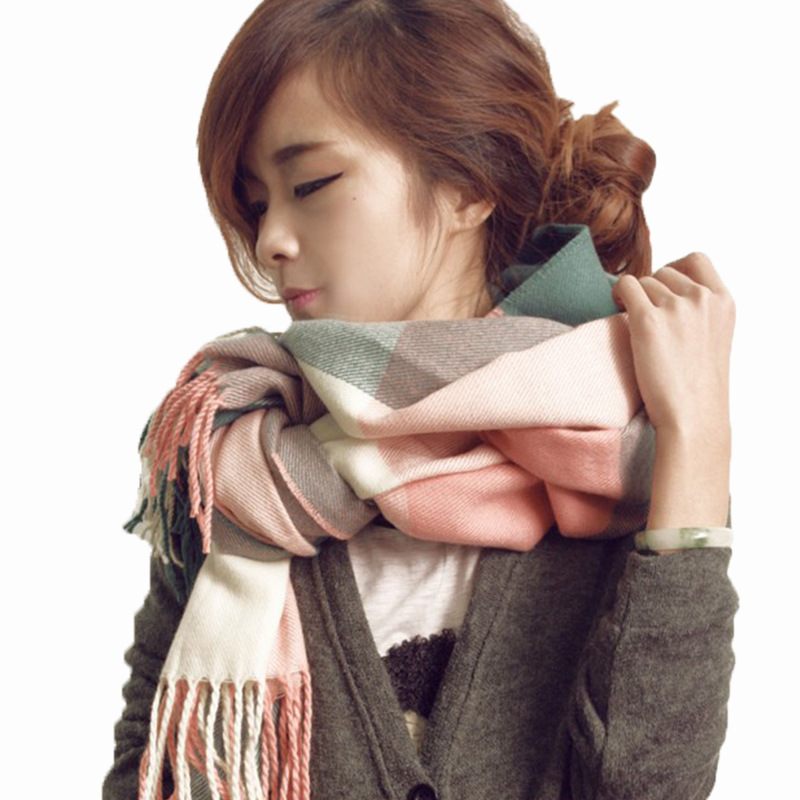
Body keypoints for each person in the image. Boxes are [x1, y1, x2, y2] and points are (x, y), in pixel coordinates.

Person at [102, 1, 738, 799]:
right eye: (258, 203)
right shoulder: (237, 465)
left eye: (311, 184)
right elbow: (146, 772)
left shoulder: (607, 457)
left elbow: (647, 786)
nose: (270, 241)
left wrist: (698, 440)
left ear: (468, 185)